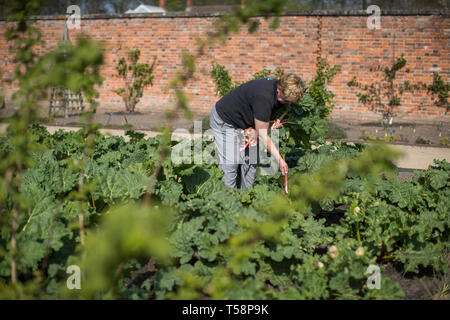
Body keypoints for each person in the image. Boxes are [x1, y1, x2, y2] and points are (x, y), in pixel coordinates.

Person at [209, 73, 305, 190]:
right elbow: (263, 135)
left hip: (248, 124)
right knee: (230, 163)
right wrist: (280, 160)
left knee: (251, 161)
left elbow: (262, 123)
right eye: (285, 100)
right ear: (279, 88)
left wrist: (270, 124)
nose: (286, 103)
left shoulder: (279, 90)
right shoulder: (264, 97)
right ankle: (228, 201)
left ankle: (246, 197)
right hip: (226, 121)